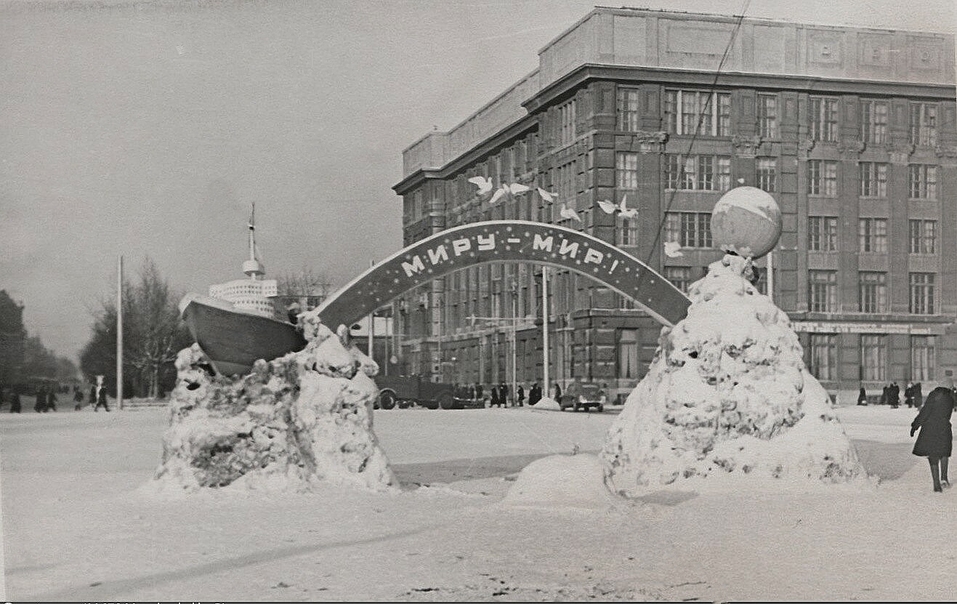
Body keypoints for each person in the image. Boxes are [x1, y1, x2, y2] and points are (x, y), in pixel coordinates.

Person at [910, 381, 955, 492]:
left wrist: (915, 425)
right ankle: (944, 478)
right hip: (945, 427)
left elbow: (925, 412)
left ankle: (936, 485)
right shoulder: (951, 397)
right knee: (944, 452)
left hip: (930, 428)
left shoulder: (934, 395)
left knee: (933, 455)